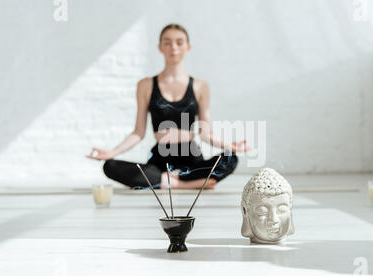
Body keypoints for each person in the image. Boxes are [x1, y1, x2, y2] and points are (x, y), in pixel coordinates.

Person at [86, 23, 251, 189]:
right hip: (160, 161)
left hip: (191, 159)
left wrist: (230, 146)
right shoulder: (145, 85)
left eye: (179, 42)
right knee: (110, 166)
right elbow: (138, 132)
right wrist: (111, 153)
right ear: (160, 47)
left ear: (188, 47)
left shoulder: (200, 86)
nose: (174, 47)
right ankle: (189, 184)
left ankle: (164, 182)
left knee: (231, 158)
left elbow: (205, 133)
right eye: (167, 42)